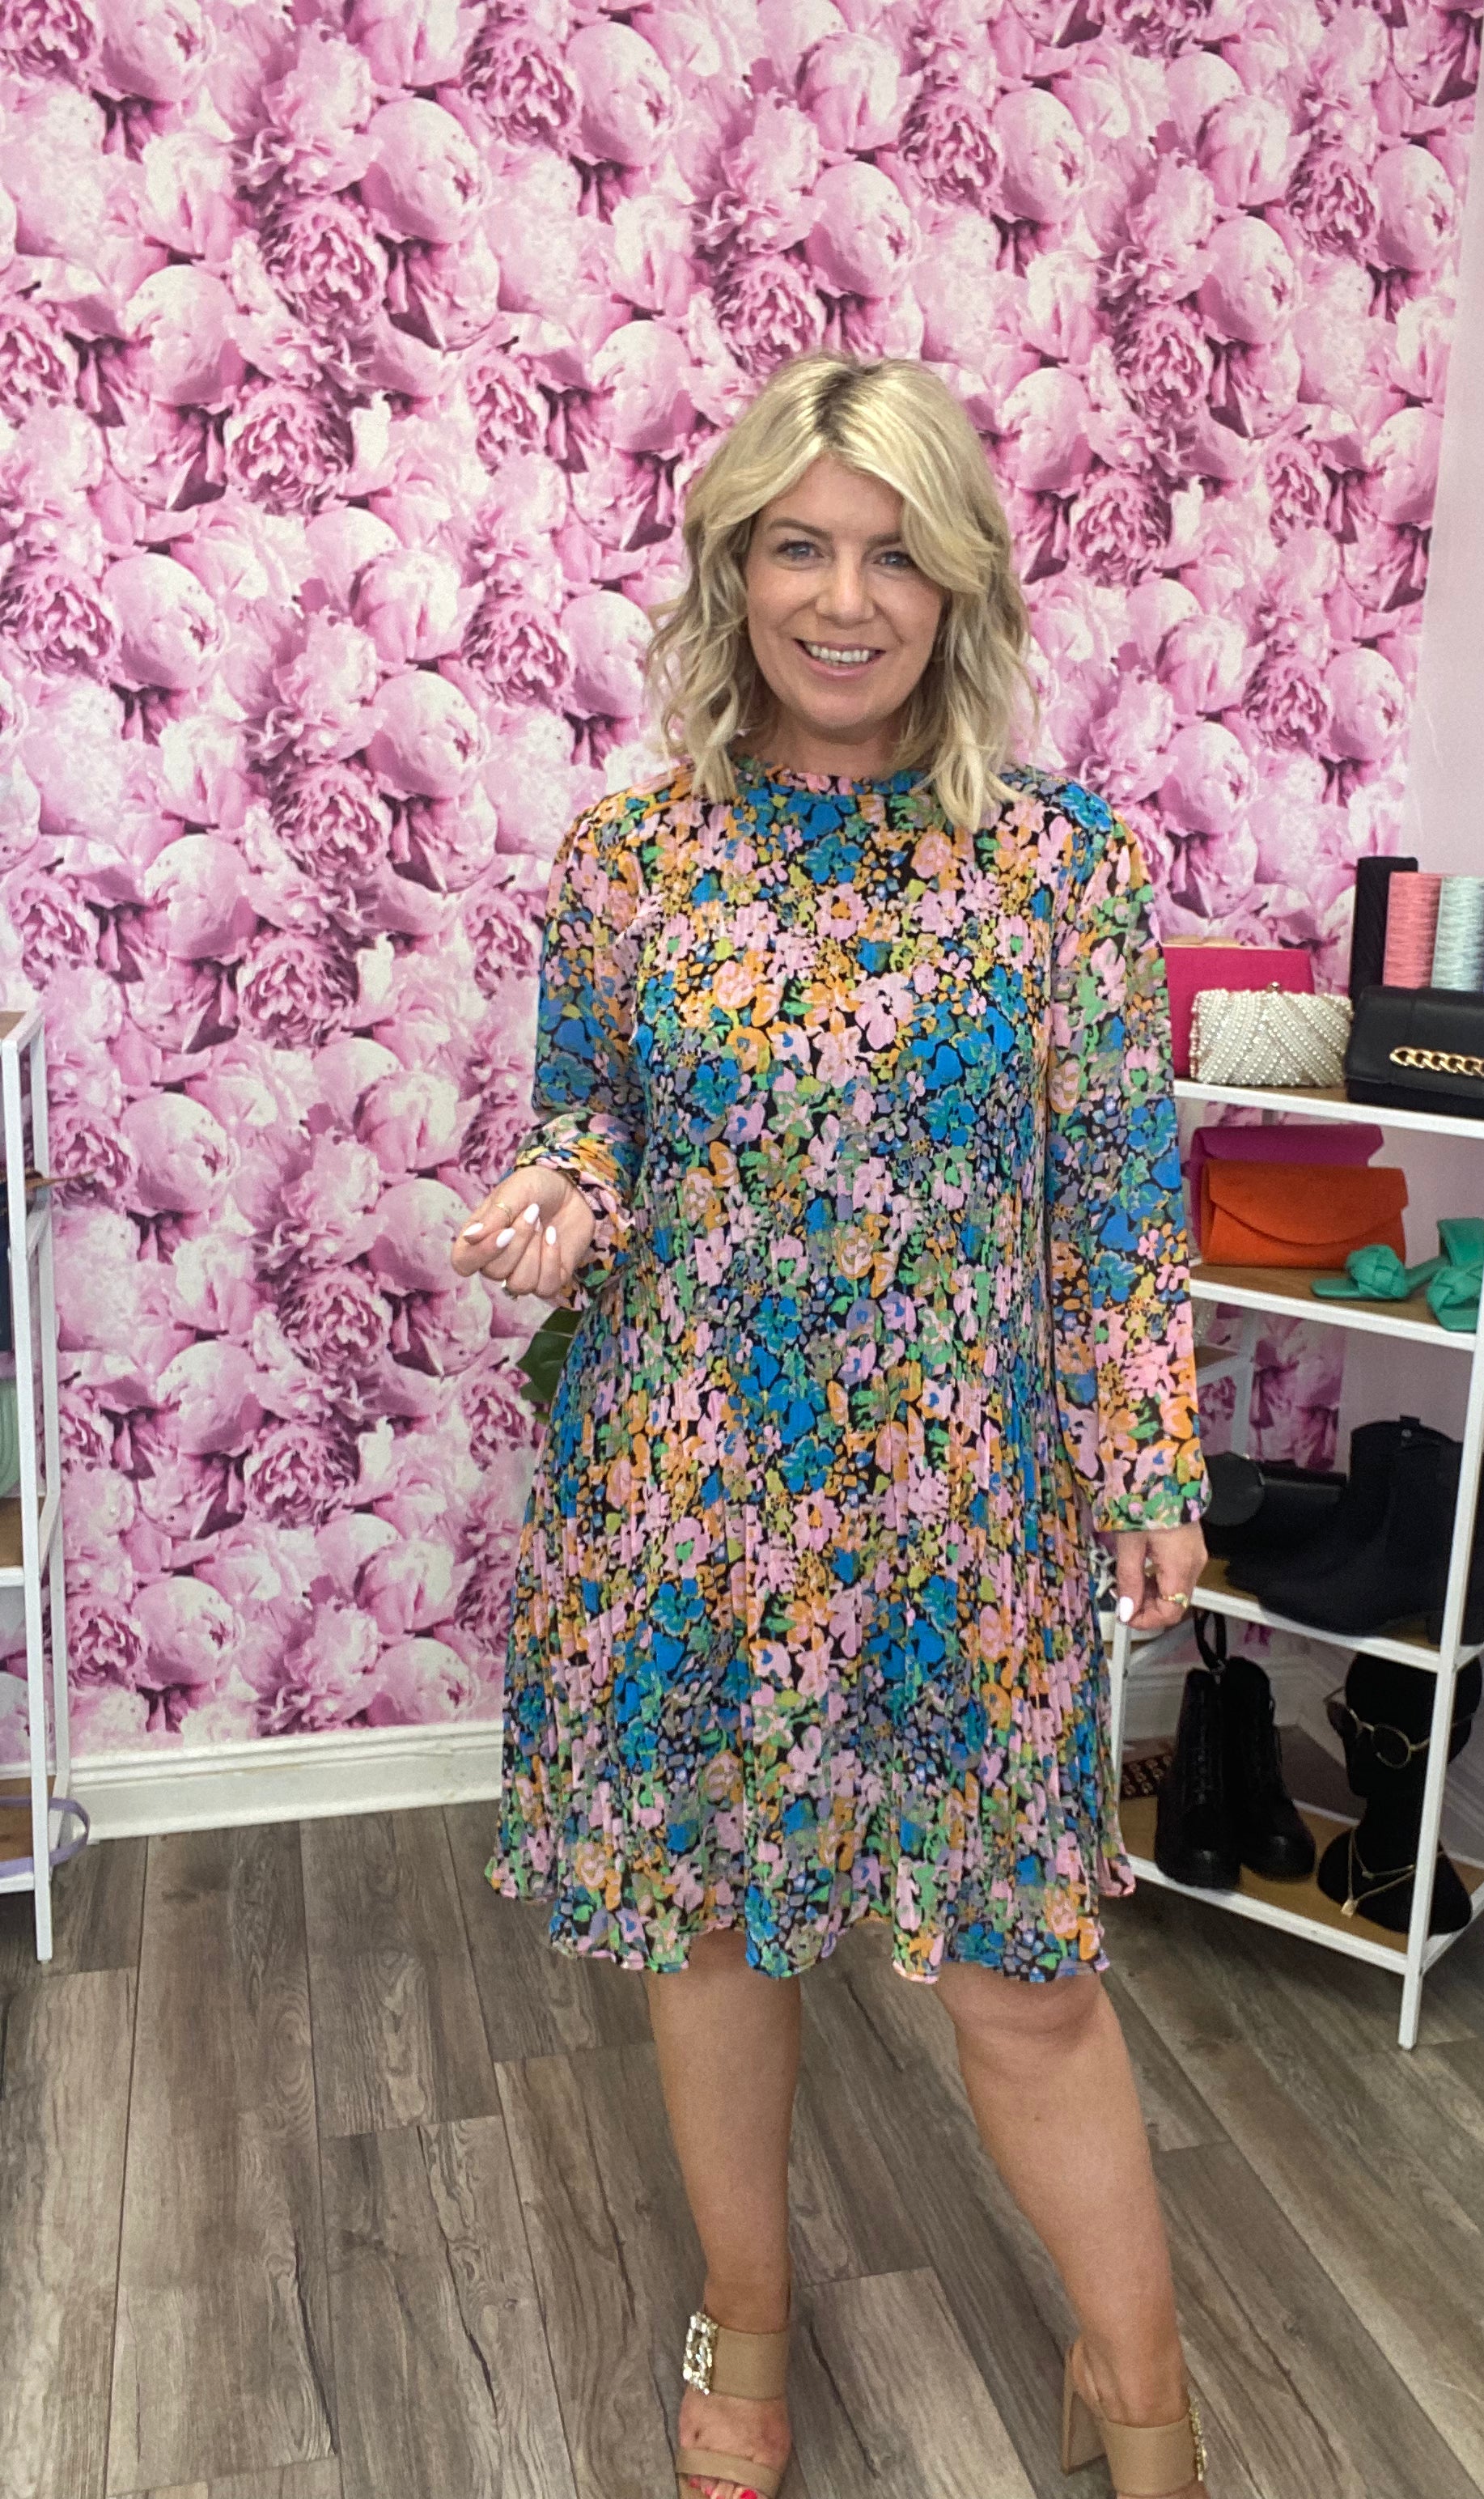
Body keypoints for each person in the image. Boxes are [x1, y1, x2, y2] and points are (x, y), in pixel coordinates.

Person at [452, 351, 1214, 2499]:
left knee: (1023, 1974)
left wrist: (1146, 1456)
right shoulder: (631, 861)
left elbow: (1117, 1189)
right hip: (686, 1488)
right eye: (800, 546)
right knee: (709, 1927)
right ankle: (750, 2317)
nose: (846, 598)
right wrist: (560, 1194)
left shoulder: (1059, 866)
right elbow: (595, 1120)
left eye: (894, 552)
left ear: (957, 582)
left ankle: (1141, 2383)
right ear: (735, 568)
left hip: (962, 1504)